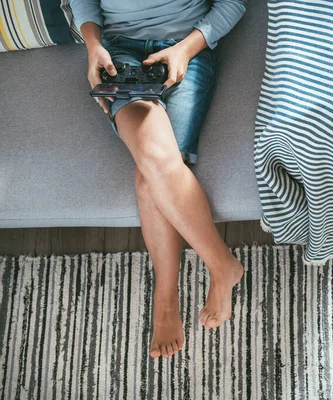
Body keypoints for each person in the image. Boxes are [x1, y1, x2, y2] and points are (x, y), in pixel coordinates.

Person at [70, 0, 247, 359]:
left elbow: (235, 3)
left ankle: (167, 299)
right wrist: (93, 46)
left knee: (150, 180)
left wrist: (186, 49)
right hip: (119, 54)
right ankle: (220, 264)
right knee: (153, 159)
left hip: (186, 50)